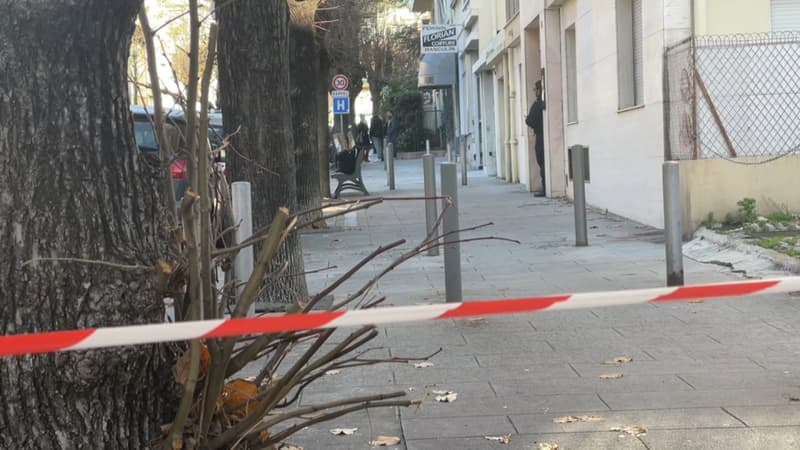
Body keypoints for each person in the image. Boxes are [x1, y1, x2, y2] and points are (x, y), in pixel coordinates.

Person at [525, 81, 546, 197]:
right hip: (544, 134)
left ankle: (545, 187)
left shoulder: (537, 104)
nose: (535, 92)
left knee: (542, 161)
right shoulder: (543, 104)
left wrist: (527, 119)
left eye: (535, 89)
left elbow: (530, 121)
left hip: (540, 136)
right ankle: (546, 186)